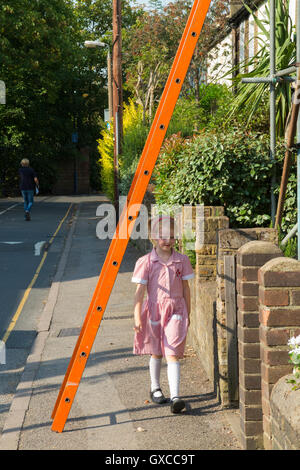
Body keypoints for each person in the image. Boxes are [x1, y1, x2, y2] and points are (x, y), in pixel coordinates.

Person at [131, 214, 194, 413]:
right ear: (153, 237)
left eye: (172, 236)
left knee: (172, 353)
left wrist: (188, 313)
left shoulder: (182, 260)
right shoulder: (146, 261)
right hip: (154, 311)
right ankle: (155, 387)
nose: (168, 240)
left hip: (176, 309)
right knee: (157, 351)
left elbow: (186, 288)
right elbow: (139, 292)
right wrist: (136, 316)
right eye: (163, 236)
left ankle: (176, 396)